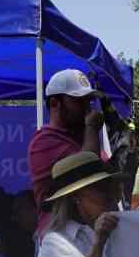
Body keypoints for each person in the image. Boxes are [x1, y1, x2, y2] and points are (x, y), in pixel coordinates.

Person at [27, 69, 103, 237]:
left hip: (86, 235)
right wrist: (91, 128)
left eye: (89, 102)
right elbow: (88, 170)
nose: (87, 109)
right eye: (79, 101)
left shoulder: (82, 138)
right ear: (55, 103)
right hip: (60, 238)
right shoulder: (44, 141)